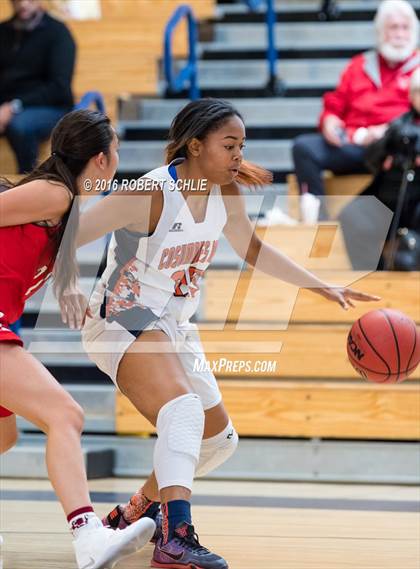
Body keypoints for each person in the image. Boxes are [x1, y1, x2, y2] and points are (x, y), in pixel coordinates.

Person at [74, 98, 381, 569]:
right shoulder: (151, 193)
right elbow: (69, 232)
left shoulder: (227, 192)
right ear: (195, 146)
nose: (239, 155)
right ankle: (176, 539)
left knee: (218, 441)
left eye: (242, 145)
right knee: (182, 410)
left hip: (172, 323)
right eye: (229, 145)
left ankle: (134, 512)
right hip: (124, 314)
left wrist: (321, 285)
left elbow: (253, 249)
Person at [0, 109, 155, 569]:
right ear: (102, 159)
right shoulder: (56, 194)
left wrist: (68, 289)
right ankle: (88, 535)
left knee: (4, 437)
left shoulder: (61, 206)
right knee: (65, 414)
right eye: (117, 152)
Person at [292, 0, 419, 219]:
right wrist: (329, 121)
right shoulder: (358, 65)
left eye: (404, 27)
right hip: (355, 145)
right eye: (392, 27)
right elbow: (334, 104)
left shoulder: (418, 67)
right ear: (380, 32)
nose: (399, 34)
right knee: (304, 148)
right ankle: (319, 220)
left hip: (394, 149)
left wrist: (388, 132)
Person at [339, 67, 420, 270]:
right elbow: (370, 158)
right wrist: (386, 150)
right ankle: (373, 273)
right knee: (352, 214)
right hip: (391, 199)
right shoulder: (399, 124)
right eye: (418, 91)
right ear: (411, 95)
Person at [0, 0, 76, 173]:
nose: (23, 5)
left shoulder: (58, 33)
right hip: (6, 107)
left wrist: (12, 107)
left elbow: (59, 87)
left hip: (51, 107)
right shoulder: (3, 31)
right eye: (18, 0)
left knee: (20, 125)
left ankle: (28, 182)